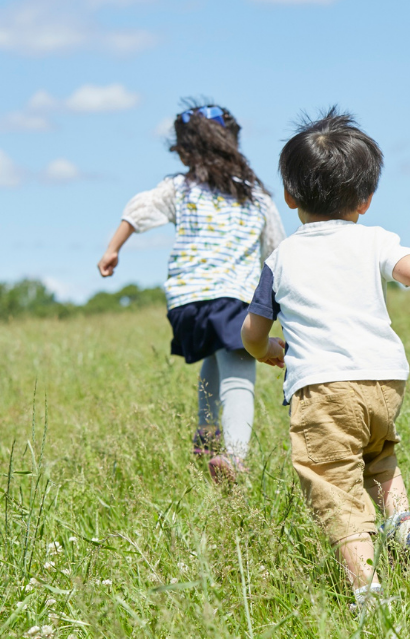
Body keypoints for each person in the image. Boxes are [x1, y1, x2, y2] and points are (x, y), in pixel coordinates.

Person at [240, 109, 410, 609]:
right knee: (378, 455)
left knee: (333, 483)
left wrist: (268, 352)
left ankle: (368, 594)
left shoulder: (281, 259)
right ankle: (402, 519)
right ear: (366, 199)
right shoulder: (375, 240)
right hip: (384, 382)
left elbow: (253, 332)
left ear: (290, 197)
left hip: (323, 387)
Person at [98, 102, 285, 481]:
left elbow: (140, 208)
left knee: (215, 358)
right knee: (239, 372)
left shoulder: (180, 188)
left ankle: (206, 436)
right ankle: (234, 458)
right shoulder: (255, 197)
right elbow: (278, 251)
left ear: (185, 151)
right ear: (233, 145)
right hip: (232, 294)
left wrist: (113, 247)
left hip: (187, 302)